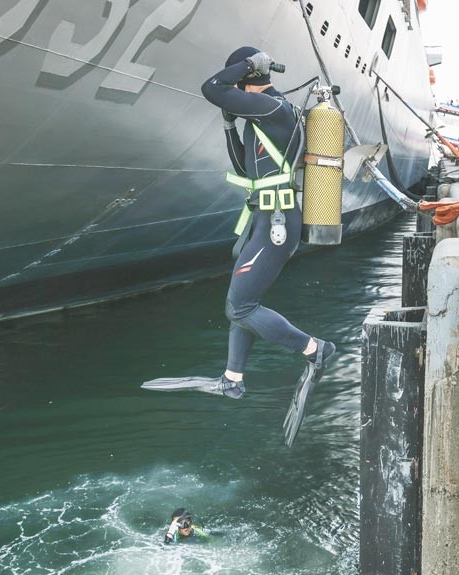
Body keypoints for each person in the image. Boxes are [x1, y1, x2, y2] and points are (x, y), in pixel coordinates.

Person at [142, 47, 335, 442]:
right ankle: (232, 379)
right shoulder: (262, 112)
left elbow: (212, 87)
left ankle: (316, 349)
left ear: (248, 76)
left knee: (241, 305)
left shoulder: (271, 106)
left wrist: (247, 66)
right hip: (264, 219)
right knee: (240, 305)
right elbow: (245, 166)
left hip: (276, 223)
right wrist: (230, 125)